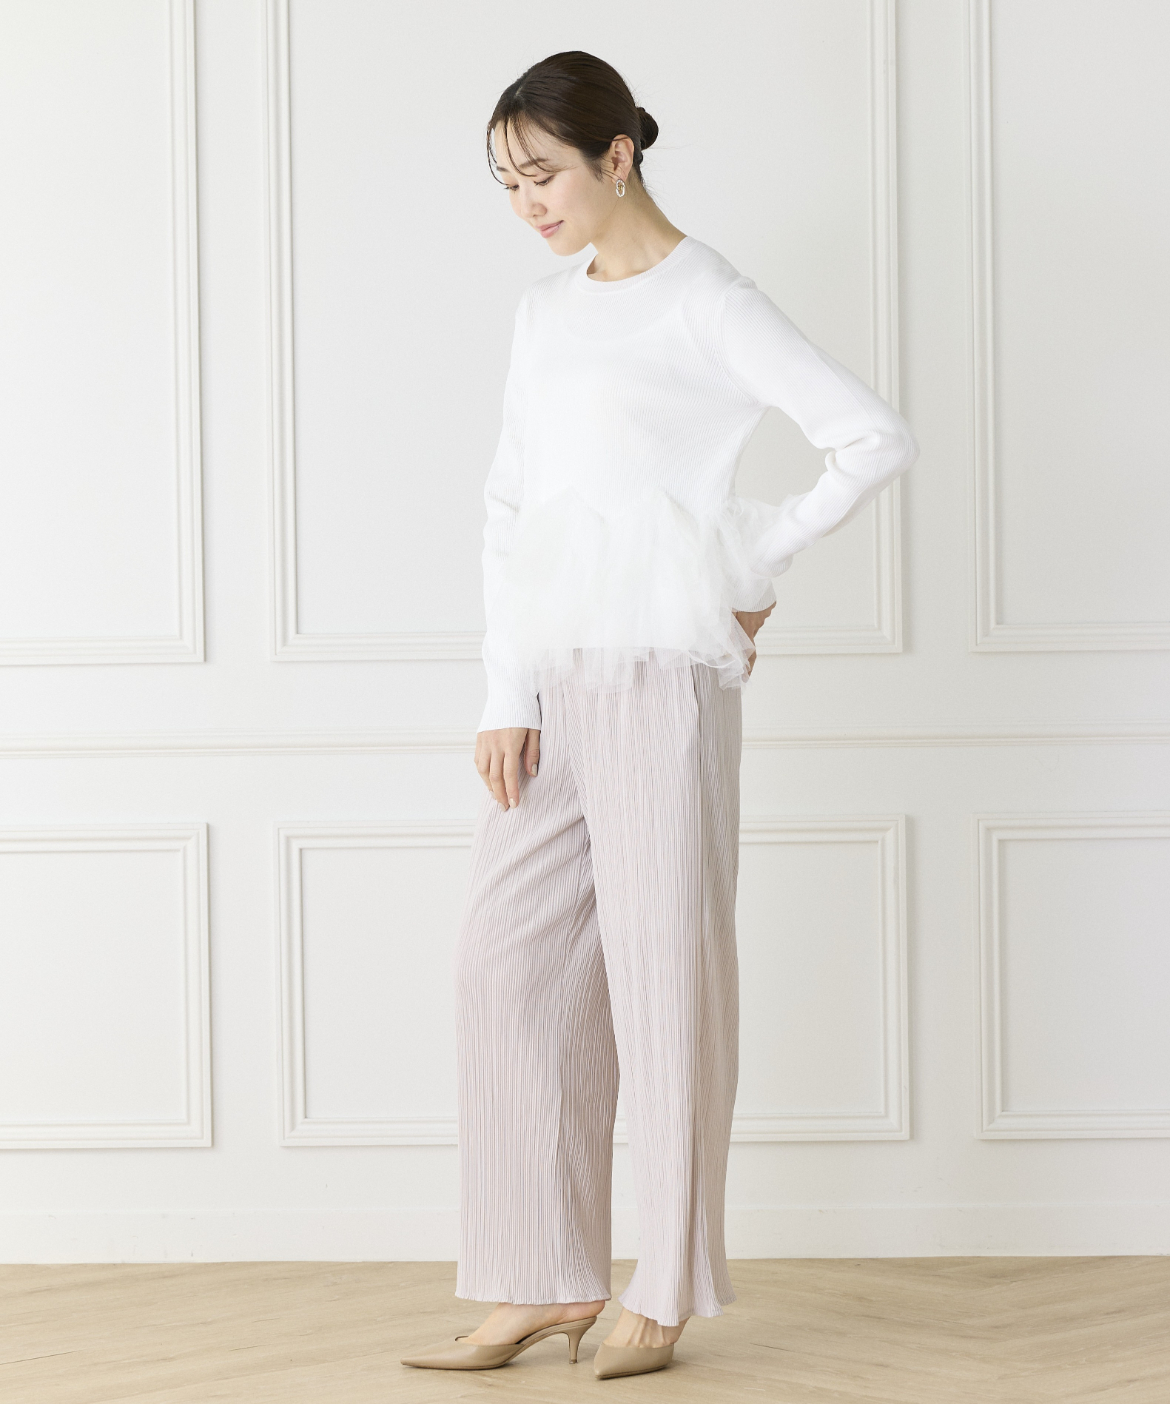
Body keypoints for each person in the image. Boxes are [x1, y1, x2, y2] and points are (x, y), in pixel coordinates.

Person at [401, 50, 920, 1381]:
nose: (527, 202)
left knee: (664, 984)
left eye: (543, 174)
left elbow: (870, 438)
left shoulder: (709, 302)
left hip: (660, 681)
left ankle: (666, 1284)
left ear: (617, 156)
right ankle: (541, 1277)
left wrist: (743, 568)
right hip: (552, 682)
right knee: (503, 968)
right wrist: (503, 689)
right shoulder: (543, 313)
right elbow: (508, 505)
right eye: (506, 182)